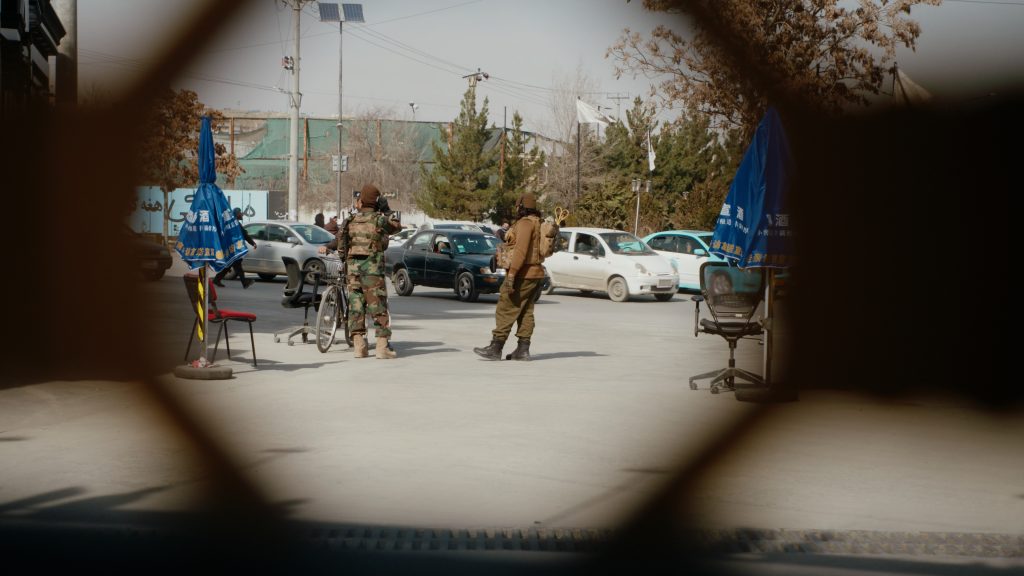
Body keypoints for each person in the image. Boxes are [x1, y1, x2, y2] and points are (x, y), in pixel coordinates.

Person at [318, 183, 401, 359]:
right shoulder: (379, 220)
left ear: (361, 201)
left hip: (353, 271)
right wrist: (386, 211)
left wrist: (346, 261)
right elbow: (396, 226)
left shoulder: (350, 221)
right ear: (377, 202)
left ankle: (359, 347)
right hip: (372, 272)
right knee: (378, 307)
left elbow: (341, 246)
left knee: (356, 307)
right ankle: (382, 348)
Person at [474, 193, 545, 361]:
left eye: (517, 206)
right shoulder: (538, 222)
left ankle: (496, 347)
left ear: (521, 207)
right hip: (535, 274)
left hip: (523, 274)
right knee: (526, 311)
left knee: (506, 307)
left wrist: (512, 273)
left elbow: (520, 251)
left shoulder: (526, 224)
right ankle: (522, 350)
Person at [214, 207, 257, 289]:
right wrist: (253, 243)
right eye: (240, 213)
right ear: (237, 214)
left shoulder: (235, 223)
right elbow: (244, 235)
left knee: (230, 264)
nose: (242, 215)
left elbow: (244, 234)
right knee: (237, 265)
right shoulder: (234, 224)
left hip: (233, 248)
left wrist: (252, 243)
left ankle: (217, 279)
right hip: (233, 249)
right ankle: (244, 282)